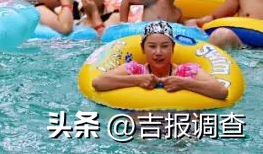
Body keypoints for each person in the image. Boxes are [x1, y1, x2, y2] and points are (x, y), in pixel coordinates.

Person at [91, 21, 228, 100]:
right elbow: (98, 83)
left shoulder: (187, 71)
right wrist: (137, 80)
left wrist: (184, 83)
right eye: (152, 46)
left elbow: (221, 92)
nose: (158, 52)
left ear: (172, 48)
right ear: (143, 49)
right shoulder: (135, 70)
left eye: (164, 46)